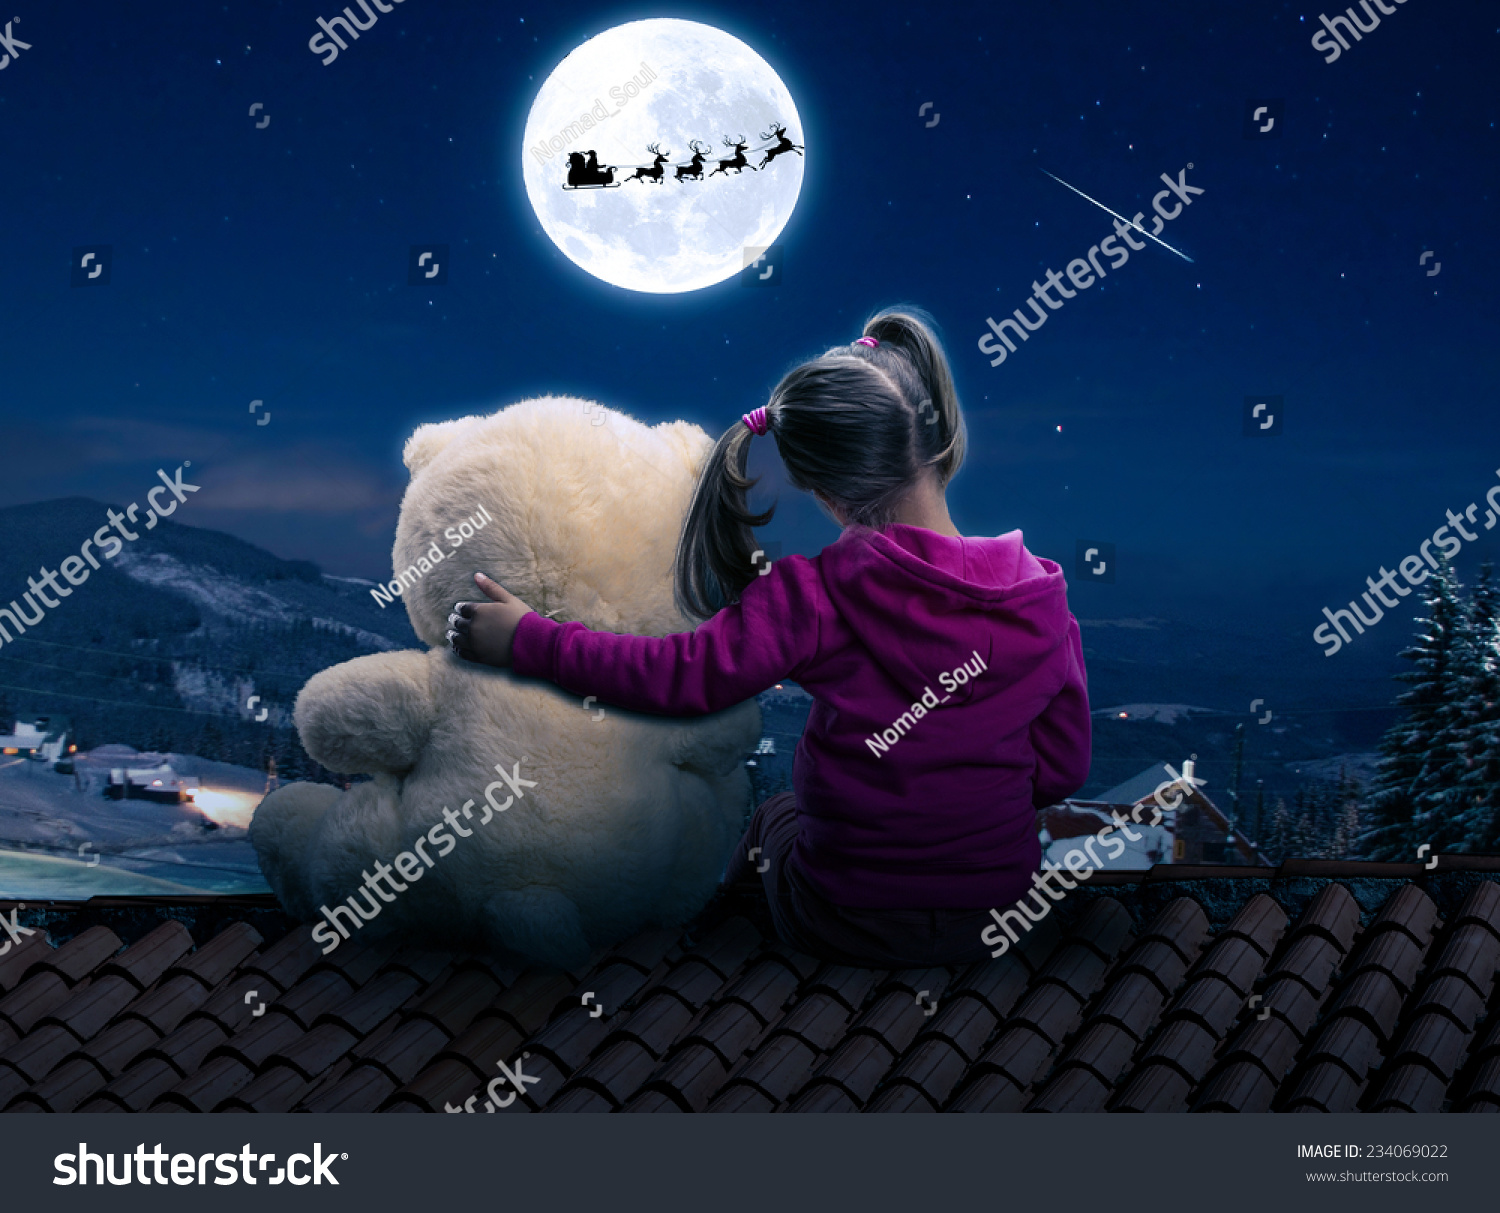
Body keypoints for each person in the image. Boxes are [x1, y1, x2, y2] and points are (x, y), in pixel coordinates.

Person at [447, 308, 1091, 966]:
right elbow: (1064, 768)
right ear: (935, 441)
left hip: (847, 915)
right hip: (998, 911)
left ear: (823, 489)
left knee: (772, 819)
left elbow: (679, 677)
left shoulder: (816, 594)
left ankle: (701, 960)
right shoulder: (1040, 598)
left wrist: (529, 639)